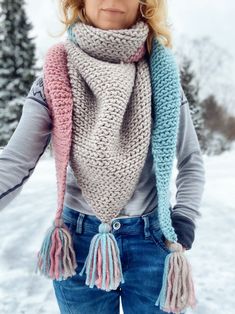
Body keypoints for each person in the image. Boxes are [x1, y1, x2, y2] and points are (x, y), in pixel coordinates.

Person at [0, 0, 206, 313]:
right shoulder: (55, 76)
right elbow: (15, 162)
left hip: (153, 244)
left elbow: (191, 160)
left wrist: (186, 216)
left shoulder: (161, 77)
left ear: (144, 4)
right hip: (77, 248)